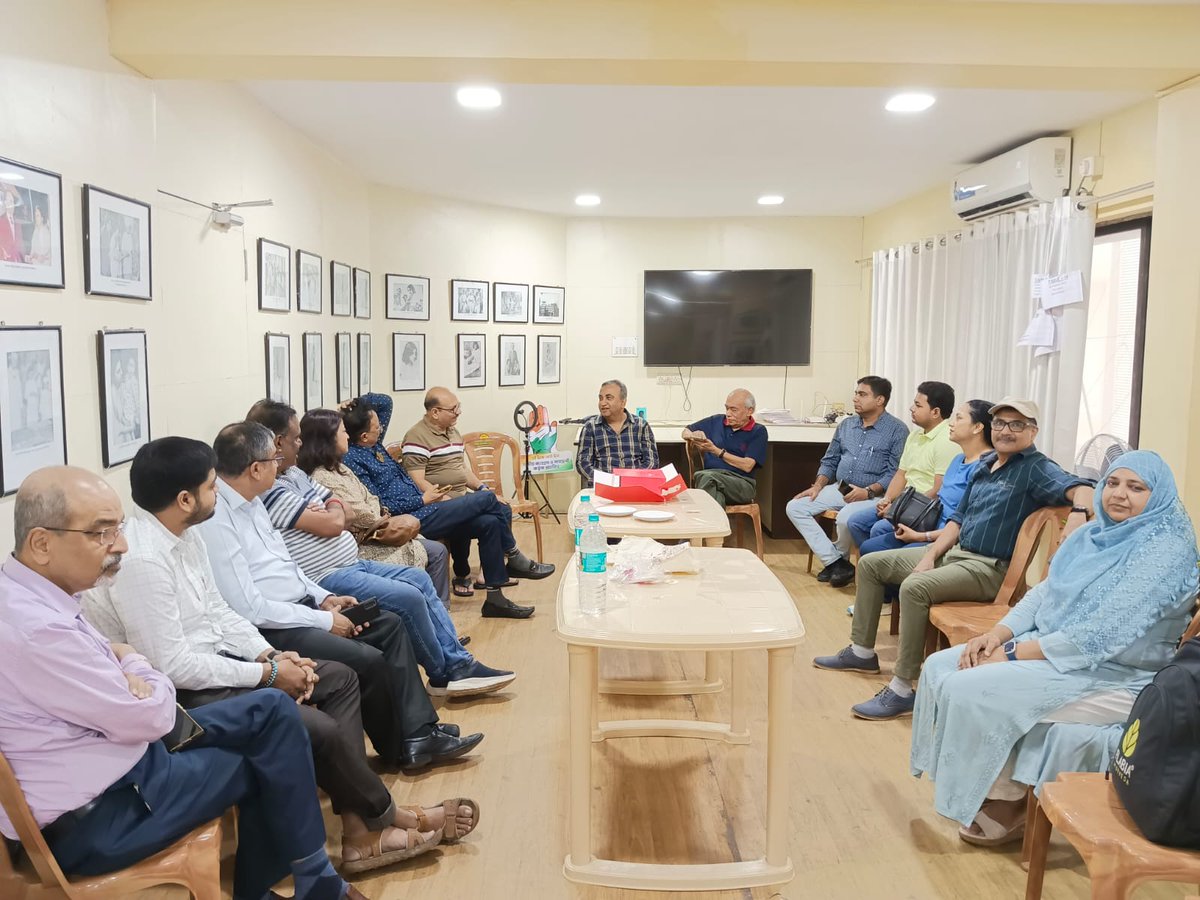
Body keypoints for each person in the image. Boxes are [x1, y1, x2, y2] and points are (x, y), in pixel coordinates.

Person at [81, 438, 480, 872]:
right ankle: (383, 817)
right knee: (319, 725)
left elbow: (220, 611)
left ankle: (359, 830)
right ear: (184, 499)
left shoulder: (185, 536)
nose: (219, 494)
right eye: (212, 487)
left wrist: (270, 654)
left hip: (226, 660)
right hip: (184, 698)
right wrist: (268, 675)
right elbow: (174, 667)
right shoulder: (143, 560)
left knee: (341, 678)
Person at [0, 466, 372, 900]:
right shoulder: (38, 630)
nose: (119, 545)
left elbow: (130, 674)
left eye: (117, 528)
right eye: (101, 533)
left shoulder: (32, 595)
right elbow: (151, 715)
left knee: (273, 711)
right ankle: (304, 883)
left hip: (119, 762)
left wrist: (129, 666)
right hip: (104, 815)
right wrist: (134, 663)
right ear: (42, 543)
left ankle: (313, 880)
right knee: (266, 757)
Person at [911, 451, 1198, 846]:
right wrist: (998, 635)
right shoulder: (1091, 535)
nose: (1119, 495)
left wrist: (1011, 655)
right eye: (1112, 483)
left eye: (1136, 488)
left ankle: (1007, 803)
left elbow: (1099, 635)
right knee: (943, 665)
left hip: (1117, 673)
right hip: (1058, 652)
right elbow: (1044, 593)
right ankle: (979, 786)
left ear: (1160, 495)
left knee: (970, 686)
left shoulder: (1165, 550)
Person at [195, 421, 483, 769]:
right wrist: (323, 619)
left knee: (389, 624)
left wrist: (322, 598)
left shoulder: (252, 501)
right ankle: (401, 744)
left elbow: (288, 566)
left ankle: (419, 732)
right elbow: (250, 608)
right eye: (275, 458)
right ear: (256, 468)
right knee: (369, 659)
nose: (282, 462)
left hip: (303, 606)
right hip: (274, 627)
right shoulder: (218, 520)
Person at [813, 398, 1094, 721]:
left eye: (1017, 425)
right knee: (872, 563)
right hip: (955, 554)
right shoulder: (985, 465)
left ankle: (903, 688)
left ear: (1033, 431)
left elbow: (1083, 487)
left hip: (988, 568)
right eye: (1000, 423)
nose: (1006, 430)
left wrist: (1077, 513)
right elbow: (956, 521)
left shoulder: (1035, 468)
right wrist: (929, 554)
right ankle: (862, 652)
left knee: (914, 587)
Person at [246, 401, 513, 697]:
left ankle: (457, 661)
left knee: (426, 574)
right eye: (296, 437)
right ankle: (445, 672)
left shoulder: (295, 474)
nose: (300, 443)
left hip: (360, 553)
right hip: (328, 575)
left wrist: (328, 509)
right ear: (278, 442)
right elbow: (336, 523)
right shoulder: (274, 489)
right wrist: (332, 512)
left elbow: (343, 511)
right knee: (414, 590)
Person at [341, 393, 552, 618]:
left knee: (489, 522)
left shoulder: (375, 447)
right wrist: (422, 499)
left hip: (427, 508)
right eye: (376, 429)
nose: (381, 429)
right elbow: (382, 506)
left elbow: (384, 402)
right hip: (413, 517)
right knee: (489, 499)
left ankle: (495, 600)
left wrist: (351, 403)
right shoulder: (354, 460)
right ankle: (514, 554)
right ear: (364, 436)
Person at [786, 376, 909, 585]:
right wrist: (817, 486)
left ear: (880, 400)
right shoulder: (846, 425)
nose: (855, 398)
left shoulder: (897, 430)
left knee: (844, 519)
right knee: (795, 507)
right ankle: (836, 563)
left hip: (873, 495)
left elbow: (895, 472)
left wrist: (868, 491)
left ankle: (836, 564)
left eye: (862, 394)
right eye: (856, 393)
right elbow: (830, 460)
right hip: (839, 488)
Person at [835, 381, 959, 586]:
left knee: (877, 529)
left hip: (925, 509)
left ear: (935, 412)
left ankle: (885, 583)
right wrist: (887, 499)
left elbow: (938, 490)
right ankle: (878, 577)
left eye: (918, 405)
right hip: (905, 501)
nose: (911, 408)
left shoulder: (946, 440)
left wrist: (897, 507)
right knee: (855, 521)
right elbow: (901, 474)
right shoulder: (915, 435)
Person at [853, 400, 993, 557]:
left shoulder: (985, 468)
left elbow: (966, 525)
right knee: (868, 546)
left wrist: (919, 536)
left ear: (977, 427)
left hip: (943, 537)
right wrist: (898, 510)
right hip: (928, 523)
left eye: (959, 418)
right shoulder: (958, 459)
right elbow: (937, 499)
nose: (951, 423)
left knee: (884, 556)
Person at [680, 388, 768, 508]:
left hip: (741, 483)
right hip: (711, 480)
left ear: (749, 411)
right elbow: (685, 431)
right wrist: (694, 435)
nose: (728, 413)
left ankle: (707, 524)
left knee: (703, 477)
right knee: (715, 493)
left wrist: (715, 451)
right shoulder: (717, 421)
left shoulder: (758, 431)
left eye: (734, 410)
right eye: (727, 408)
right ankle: (718, 526)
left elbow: (747, 466)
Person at [575, 379, 660, 485]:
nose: (603, 403)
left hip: (635, 486)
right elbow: (583, 463)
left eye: (608, 398)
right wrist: (607, 481)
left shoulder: (641, 425)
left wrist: (632, 480)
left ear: (623, 402)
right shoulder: (590, 427)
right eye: (600, 398)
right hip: (603, 488)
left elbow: (652, 462)